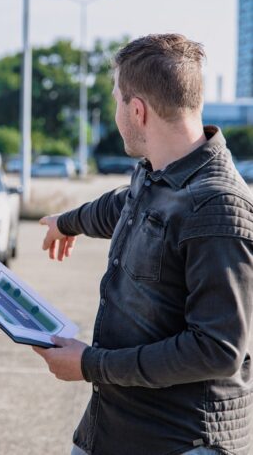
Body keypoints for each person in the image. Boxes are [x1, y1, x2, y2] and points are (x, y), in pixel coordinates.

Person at [35, 34, 253, 455]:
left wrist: (89, 364)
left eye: (118, 100)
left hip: (180, 442)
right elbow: (123, 204)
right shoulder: (158, 175)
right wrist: (67, 222)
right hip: (115, 430)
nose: (117, 112)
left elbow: (217, 349)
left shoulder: (219, 207)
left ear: (137, 110)